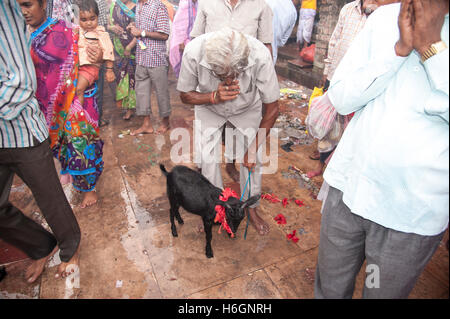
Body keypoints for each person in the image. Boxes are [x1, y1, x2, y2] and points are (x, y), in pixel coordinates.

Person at [315, 0, 449, 298]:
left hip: (408, 214)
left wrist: (432, 48)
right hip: (347, 190)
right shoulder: (386, 18)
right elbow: (341, 97)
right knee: (330, 291)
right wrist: (398, 51)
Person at [1, 0, 81, 283]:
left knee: (51, 197)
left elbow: (22, 80)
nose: (24, 11)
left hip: (24, 128)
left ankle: (70, 248)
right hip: (15, 126)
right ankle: (41, 245)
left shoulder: (55, 30)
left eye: (28, 4)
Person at [177, 28, 280, 236]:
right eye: (222, 75)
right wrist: (213, 96)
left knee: (254, 159)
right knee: (207, 159)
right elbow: (185, 95)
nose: (231, 79)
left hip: (247, 107)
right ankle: (215, 208)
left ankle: (252, 209)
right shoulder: (193, 51)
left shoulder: (260, 55)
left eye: (236, 74)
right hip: (208, 107)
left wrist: (252, 147)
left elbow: (273, 108)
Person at [21, 0, 106, 208]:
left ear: (43, 4)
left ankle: (89, 189)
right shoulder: (19, 38)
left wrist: (78, 87)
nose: (24, 12)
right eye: (19, 6)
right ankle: (74, 178)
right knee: (63, 148)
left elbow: (92, 64)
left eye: (28, 5)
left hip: (76, 103)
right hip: (45, 106)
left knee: (80, 145)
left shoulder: (69, 32)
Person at [189, 0, 274, 183]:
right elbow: (195, 40)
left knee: (243, 136)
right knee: (208, 139)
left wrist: (266, 80)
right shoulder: (206, 3)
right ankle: (211, 191)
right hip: (212, 79)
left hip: (245, 81)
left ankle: (230, 164)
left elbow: (266, 45)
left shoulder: (261, 6)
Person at [307, 0, 379, 178]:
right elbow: (334, 41)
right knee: (328, 125)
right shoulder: (348, 9)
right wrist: (327, 71)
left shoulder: (382, 14)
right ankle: (320, 167)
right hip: (335, 78)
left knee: (350, 131)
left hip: (360, 85)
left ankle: (338, 171)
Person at [127, 0, 172, 135]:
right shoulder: (139, 6)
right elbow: (140, 32)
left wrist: (142, 32)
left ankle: (165, 121)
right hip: (141, 57)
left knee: (161, 92)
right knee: (141, 92)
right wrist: (134, 29)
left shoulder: (158, 6)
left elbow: (164, 34)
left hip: (157, 58)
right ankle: (146, 124)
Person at [76, 0, 115, 108]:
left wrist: (109, 71)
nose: (88, 23)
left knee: (79, 90)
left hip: (90, 68)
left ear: (98, 17)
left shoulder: (101, 33)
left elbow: (108, 51)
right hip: (77, 67)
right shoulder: (77, 30)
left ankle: (78, 115)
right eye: (84, 20)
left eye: (92, 19)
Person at [108, 0, 138, 121]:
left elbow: (139, 31)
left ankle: (131, 108)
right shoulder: (114, 6)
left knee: (131, 78)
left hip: (131, 49)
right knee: (120, 77)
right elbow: (108, 25)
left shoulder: (136, 8)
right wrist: (112, 28)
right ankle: (125, 105)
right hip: (117, 49)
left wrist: (129, 47)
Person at [169, 0, 198, 78]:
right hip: (185, 43)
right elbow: (179, 23)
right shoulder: (185, 4)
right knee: (186, 74)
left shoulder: (203, 4)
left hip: (200, 42)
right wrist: (181, 42)